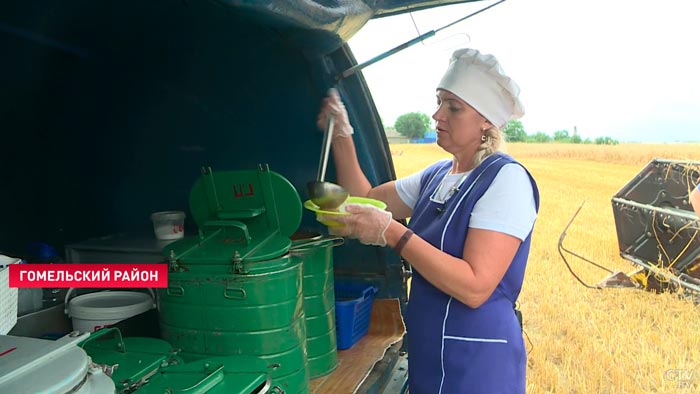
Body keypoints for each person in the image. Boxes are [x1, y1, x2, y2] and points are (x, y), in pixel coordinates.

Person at [316, 48, 539, 393]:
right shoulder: (436, 176)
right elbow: (367, 197)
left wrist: (392, 232)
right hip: (430, 352)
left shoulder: (505, 180)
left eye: (453, 107)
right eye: (438, 101)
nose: (437, 114)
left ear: (485, 120)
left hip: (478, 363)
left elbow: (475, 286)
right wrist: (343, 134)